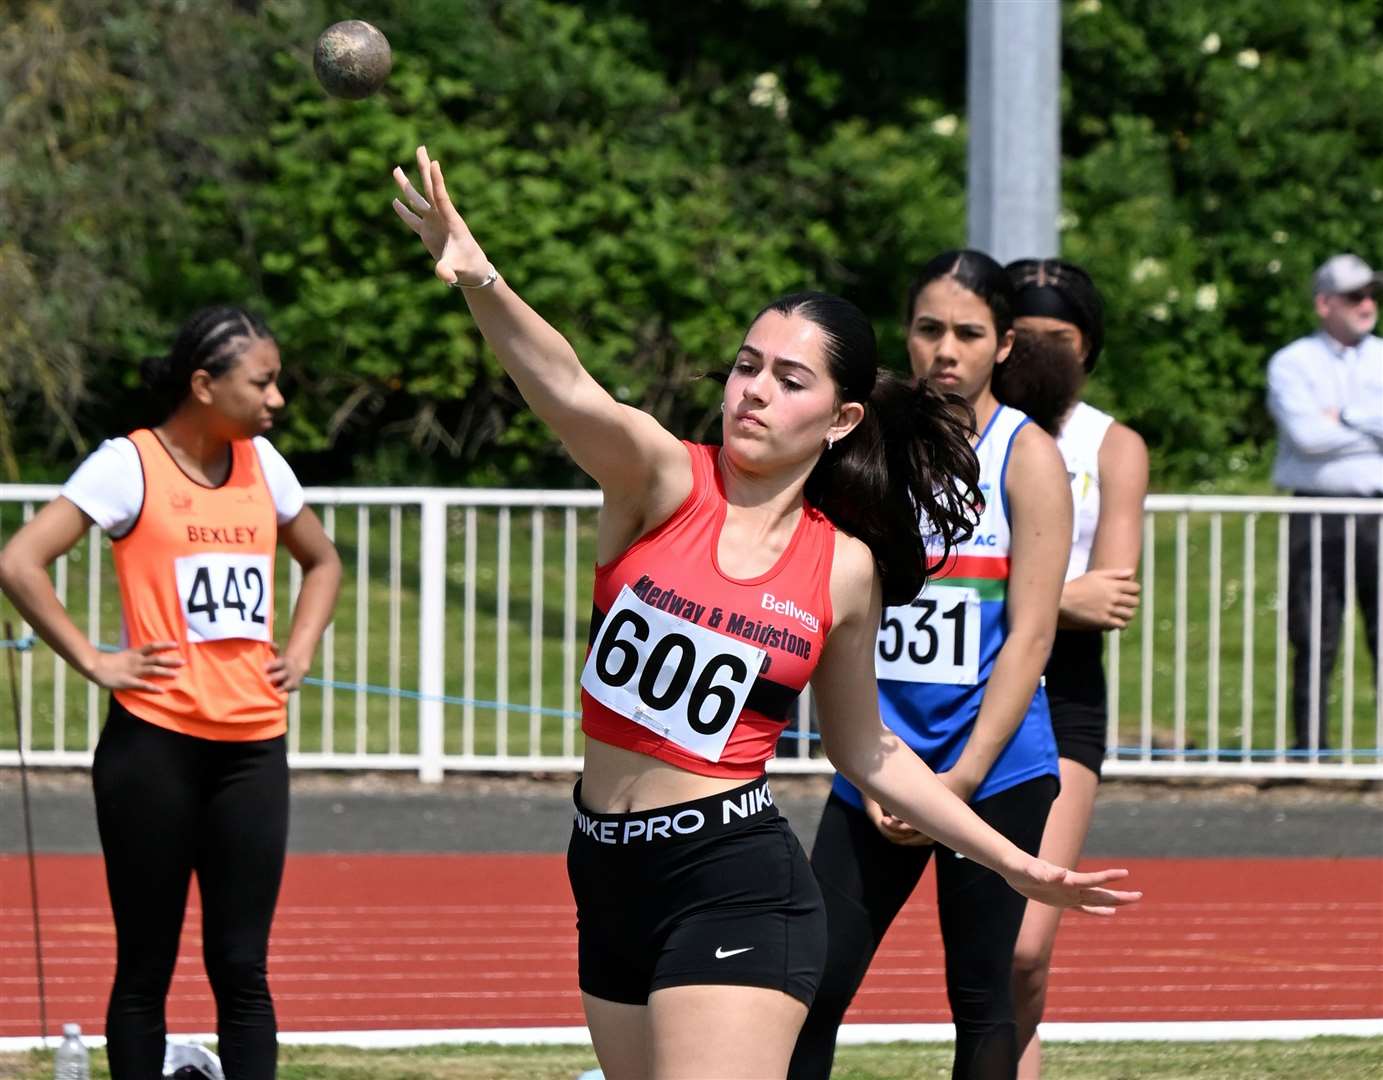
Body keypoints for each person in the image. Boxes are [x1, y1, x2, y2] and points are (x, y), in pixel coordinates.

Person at [390, 149, 1139, 1080]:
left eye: (790, 379)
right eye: (748, 366)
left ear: (839, 419)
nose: (754, 390)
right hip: (603, 869)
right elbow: (569, 387)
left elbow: (867, 753)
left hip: (734, 883)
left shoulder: (845, 568)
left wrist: (1007, 862)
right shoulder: (659, 480)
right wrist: (480, 278)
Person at [0, 307, 341, 1080]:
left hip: (252, 750)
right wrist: (94, 658)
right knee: (145, 966)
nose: (276, 399)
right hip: (152, 746)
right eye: (262, 382)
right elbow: (20, 560)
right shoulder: (129, 465)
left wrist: (300, 648)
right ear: (203, 384)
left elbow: (322, 562)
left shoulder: (264, 464)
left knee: (242, 969)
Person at [788, 249, 1076, 1080]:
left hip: (996, 772)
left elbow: (1028, 636)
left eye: (967, 332)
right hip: (875, 763)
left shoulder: (1027, 457)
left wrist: (958, 780)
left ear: (1004, 345)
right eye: (926, 329)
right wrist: (880, 770)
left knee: (982, 998)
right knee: (810, 985)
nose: (945, 350)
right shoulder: (865, 444)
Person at [998, 257, 1150, 1079]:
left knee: (1022, 952)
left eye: (1059, 339)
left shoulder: (1110, 443)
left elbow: (1109, 599)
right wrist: (1057, 591)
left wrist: (1001, 592)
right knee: (837, 947)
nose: (1040, 355)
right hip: (948, 696)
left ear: (1087, 348)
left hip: (1061, 699)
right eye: (1022, 339)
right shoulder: (951, 431)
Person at [1266, 253, 1383, 754]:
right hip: (1315, 510)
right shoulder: (1293, 361)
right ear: (1324, 303)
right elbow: (1307, 436)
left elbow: (1324, 430)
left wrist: (1347, 416)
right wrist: (1371, 428)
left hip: (1377, 511)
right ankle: (1311, 751)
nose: (1367, 305)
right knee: (1314, 634)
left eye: (1371, 294)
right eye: (1355, 296)